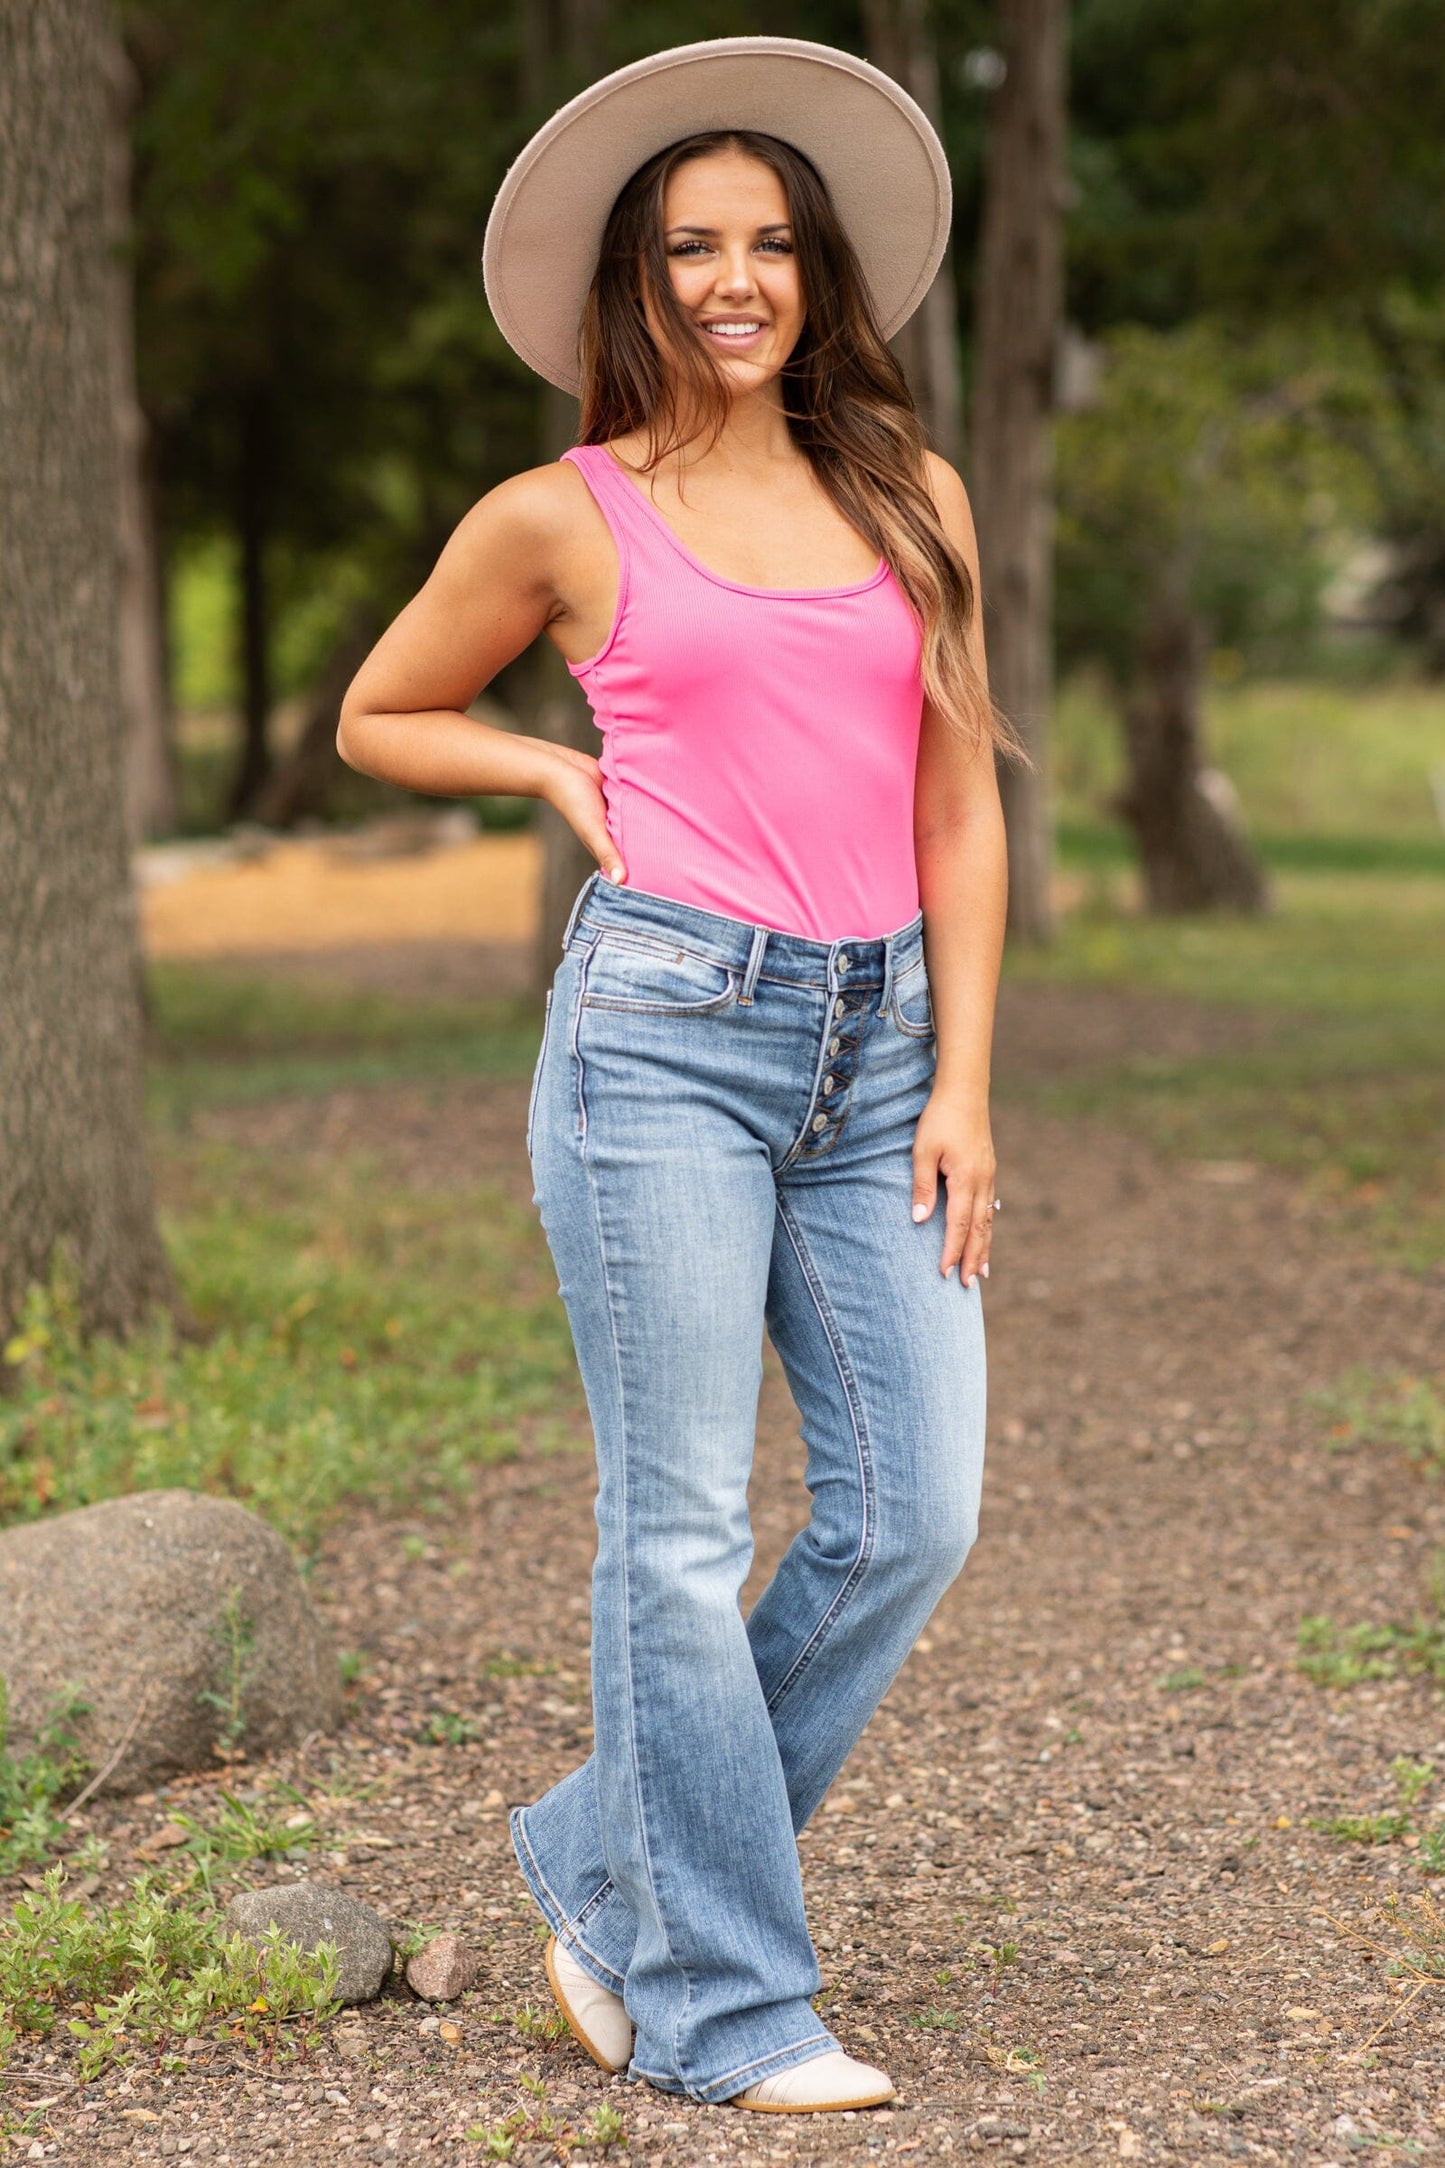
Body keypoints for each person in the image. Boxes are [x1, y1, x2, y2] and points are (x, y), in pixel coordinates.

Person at [338, 34, 1017, 2117]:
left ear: (820, 280)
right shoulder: (562, 514)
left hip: (877, 1032)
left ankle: (604, 1859)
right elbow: (383, 708)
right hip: (665, 1042)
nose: (739, 278)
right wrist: (547, 757)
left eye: (775, 246)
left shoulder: (915, 494)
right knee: (672, 1529)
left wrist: (966, 1079)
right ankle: (725, 2005)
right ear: (637, 279)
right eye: (697, 246)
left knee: (916, 1511)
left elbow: (959, 804)